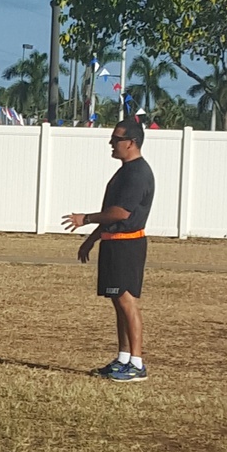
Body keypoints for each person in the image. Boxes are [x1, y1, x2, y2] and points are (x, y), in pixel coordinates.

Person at [62, 119, 155, 383]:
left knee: (127, 301)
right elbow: (109, 214)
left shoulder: (137, 173)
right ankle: (123, 357)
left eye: (116, 139)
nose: (111, 144)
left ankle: (137, 363)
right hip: (113, 241)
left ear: (131, 142)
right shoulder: (124, 171)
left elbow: (120, 212)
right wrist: (92, 239)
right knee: (117, 302)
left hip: (128, 243)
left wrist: (86, 218)